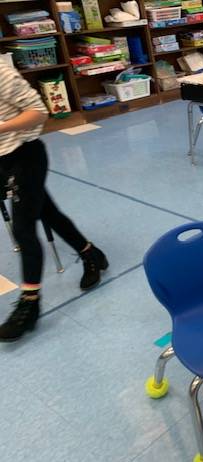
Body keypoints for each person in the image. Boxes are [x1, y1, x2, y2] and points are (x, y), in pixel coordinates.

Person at [0, 63, 108, 342]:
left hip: (24, 156)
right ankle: (90, 253)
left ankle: (29, 302)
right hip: (3, 160)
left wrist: (2, 127)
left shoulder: (1, 73)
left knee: (24, 229)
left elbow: (38, 112)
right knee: (48, 213)